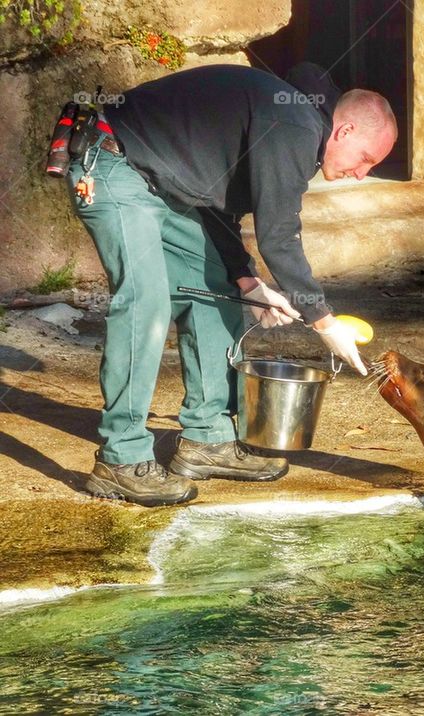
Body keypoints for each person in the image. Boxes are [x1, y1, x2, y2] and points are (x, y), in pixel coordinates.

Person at [63, 63, 397, 507]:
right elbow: (279, 234)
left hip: (163, 186)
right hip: (111, 163)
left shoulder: (296, 122)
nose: (361, 174)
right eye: (366, 159)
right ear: (346, 130)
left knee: (219, 289)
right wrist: (323, 321)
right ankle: (121, 459)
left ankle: (208, 439)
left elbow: (215, 202)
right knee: (146, 302)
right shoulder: (294, 123)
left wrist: (246, 279)